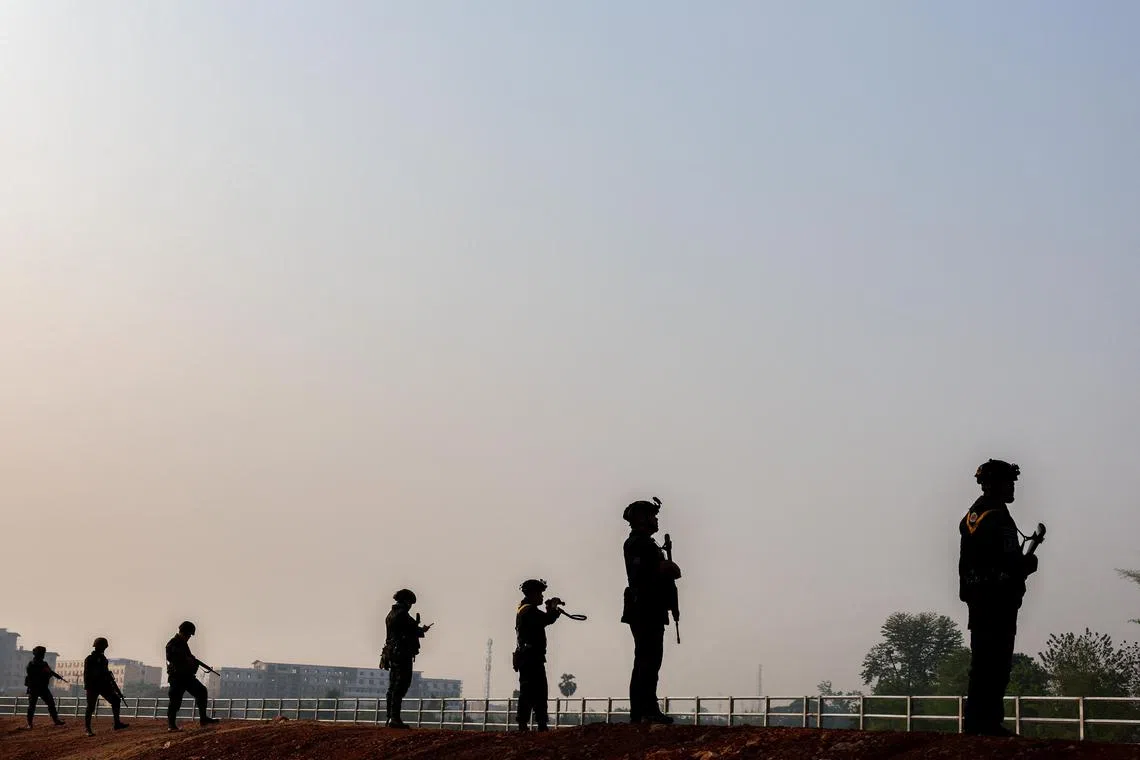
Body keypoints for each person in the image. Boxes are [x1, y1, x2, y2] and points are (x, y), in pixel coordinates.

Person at [959, 459, 1040, 736]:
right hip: (997, 601)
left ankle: (977, 722)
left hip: (979, 600)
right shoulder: (996, 517)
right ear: (992, 484)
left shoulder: (972, 516)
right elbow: (1007, 563)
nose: (1012, 487)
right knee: (995, 663)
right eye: (1008, 482)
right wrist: (1027, 565)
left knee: (983, 662)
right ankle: (986, 723)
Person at [621, 499, 681, 724]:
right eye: (652, 516)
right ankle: (645, 709)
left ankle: (645, 709)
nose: (655, 520)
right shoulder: (637, 543)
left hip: (652, 607)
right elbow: (641, 575)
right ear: (642, 518)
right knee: (647, 659)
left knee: (649, 660)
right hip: (644, 607)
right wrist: (664, 568)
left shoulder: (647, 544)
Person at [513, 579, 564, 732]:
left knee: (537, 691)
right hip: (530, 657)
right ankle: (529, 724)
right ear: (532, 593)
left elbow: (545, 619)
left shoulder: (525, 609)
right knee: (532, 691)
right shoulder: (528, 610)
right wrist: (553, 609)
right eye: (540, 593)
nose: (542, 597)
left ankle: (538, 723)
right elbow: (546, 619)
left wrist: (551, 609)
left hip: (531, 657)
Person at [382, 589, 431, 728]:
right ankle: (395, 718)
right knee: (401, 684)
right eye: (410, 602)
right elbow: (412, 630)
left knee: (392, 685)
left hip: (392, 653)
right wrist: (422, 630)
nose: (410, 605)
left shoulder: (390, 614)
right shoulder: (402, 614)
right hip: (402, 653)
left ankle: (390, 717)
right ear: (406, 601)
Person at [165, 621, 219, 731]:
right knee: (175, 701)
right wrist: (187, 659)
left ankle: (203, 718)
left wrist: (191, 660)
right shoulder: (173, 643)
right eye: (188, 635)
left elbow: (189, 659)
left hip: (187, 676)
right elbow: (172, 658)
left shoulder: (183, 644)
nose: (189, 637)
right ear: (183, 632)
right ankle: (171, 725)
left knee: (202, 691)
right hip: (177, 678)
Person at [83, 637, 129, 736]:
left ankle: (117, 723)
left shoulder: (104, 659)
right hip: (93, 686)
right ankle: (87, 728)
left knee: (116, 700)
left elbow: (107, 675)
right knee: (90, 707)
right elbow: (86, 674)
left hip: (103, 685)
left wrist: (113, 688)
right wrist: (87, 687)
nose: (104, 649)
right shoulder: (90, 659)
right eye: (103, 647)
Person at [24, 646, 66, 728]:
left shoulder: (44, 664)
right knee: (32, 706)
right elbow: (32, 676)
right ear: (37, 654)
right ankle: (29, 723)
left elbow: (50, 672)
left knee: (51, 703)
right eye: (42, 654)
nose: (43, 655)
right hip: (34, 688)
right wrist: (45, 674)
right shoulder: (31, 664)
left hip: (43, 688)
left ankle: (56, 720)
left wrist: (55, 675)